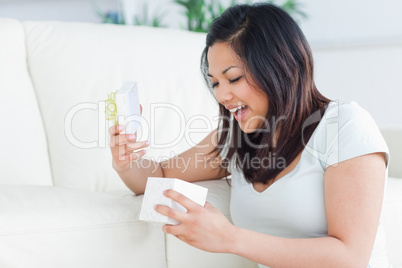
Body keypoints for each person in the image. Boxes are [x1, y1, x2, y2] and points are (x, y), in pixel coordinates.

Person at [109, 3, 390, 267]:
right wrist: (126, 162)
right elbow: (158, 177)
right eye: (215, 83)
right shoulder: (236, 138)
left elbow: (351, 258)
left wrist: (229, 238)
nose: (222, 95)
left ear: (279, 67)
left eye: (233, 79)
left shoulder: (344, 126)